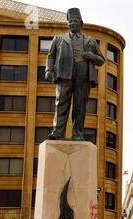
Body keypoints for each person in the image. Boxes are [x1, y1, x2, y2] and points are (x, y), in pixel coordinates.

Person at [45, 8, 105, 141]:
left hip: (83, 74)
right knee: (61, 103)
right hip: (64, 73)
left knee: (80, 105)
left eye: (75, 21)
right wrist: (49, 70)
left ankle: (77, 134)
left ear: (81, 23)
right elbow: (51, 56)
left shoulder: (90, 41)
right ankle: (57, 132)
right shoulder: (59, 38)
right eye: (70, 21)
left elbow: (101, 60)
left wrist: (91, 56)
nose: (72, 24)